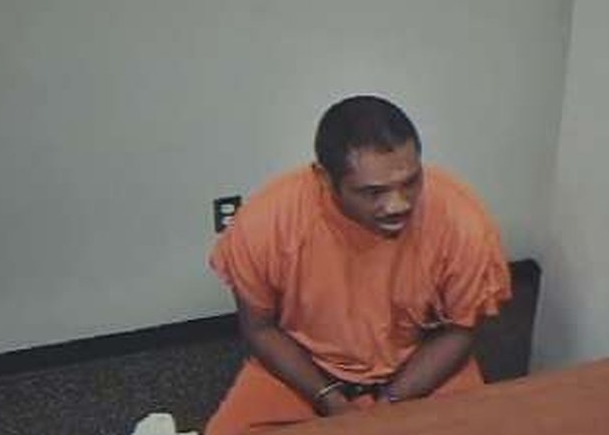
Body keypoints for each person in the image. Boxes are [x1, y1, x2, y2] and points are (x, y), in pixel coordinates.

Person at [206, 95, 511, 434]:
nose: (398, 205)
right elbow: (261, 329)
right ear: (324, 179)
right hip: (305, 373)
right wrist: (330, 400)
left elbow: (460, 330)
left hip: (420, 368)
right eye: (373, 192)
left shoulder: (462, 221)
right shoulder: (264, 224)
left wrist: (389, 404)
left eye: (411, 182)